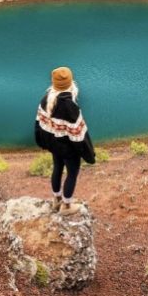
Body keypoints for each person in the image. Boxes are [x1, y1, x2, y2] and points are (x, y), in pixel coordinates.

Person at [34, 66, 95, 211]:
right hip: (69, 150)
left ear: (54, 83)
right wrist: (89, 155)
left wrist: (44, 144)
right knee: (72, 174)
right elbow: (80, 137)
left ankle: (56, 199)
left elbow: (39, 126)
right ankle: (66, 206)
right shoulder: (71, 108)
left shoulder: (46, 99)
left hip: (55, 146)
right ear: (71, 83)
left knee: (57, 168)